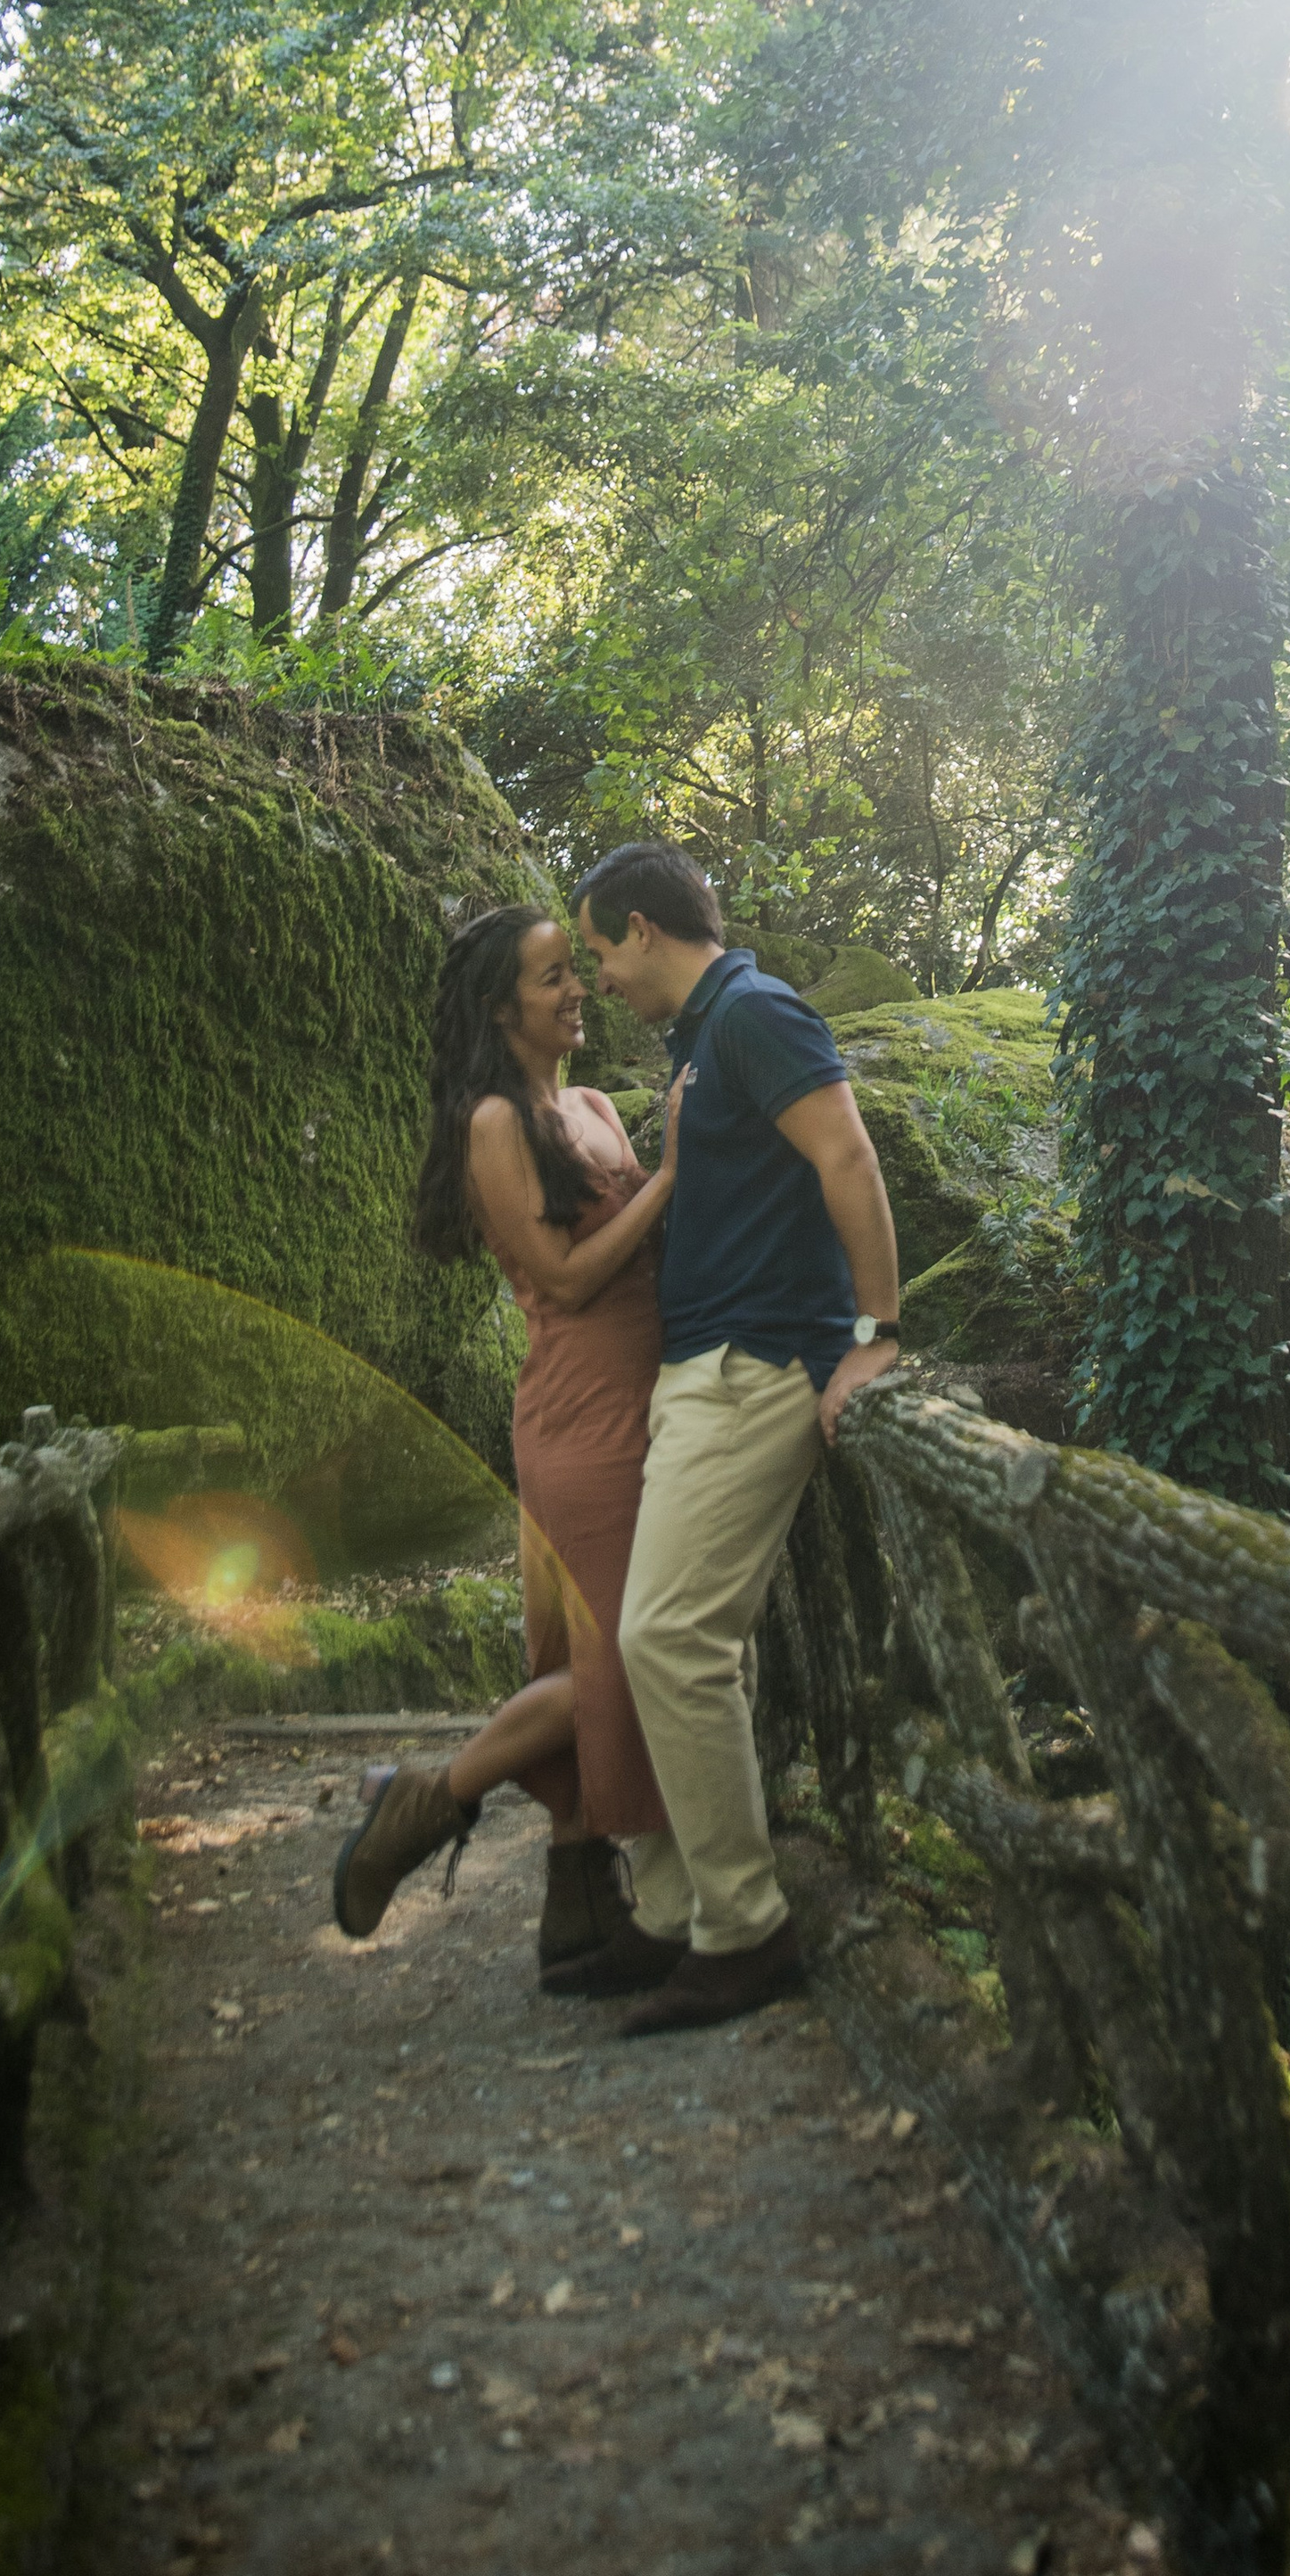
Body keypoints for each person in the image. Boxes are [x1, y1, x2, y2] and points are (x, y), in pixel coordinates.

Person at [546, 844, 902, 2037]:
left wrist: (875, 1333)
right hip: (705, 1365)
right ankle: (689, 1912)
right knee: (683, 1634)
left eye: (600, 952)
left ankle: (745, 1931)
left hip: (759, 1365)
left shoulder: (751, 1013)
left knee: (668, 1632)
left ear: (643, 927)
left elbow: (847, 1154)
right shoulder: (705, 1032)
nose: (600, 979)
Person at [331, 905, 678, 1971]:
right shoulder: (492, 1122)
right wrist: (674, 1174)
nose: (578, 988)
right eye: (551, 977)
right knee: (626, 1659)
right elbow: (569, 1278)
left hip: (643, 1400)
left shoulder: (594, 1104)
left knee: (588, 1654)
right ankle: (429, 1798)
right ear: (499, 1007)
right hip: (580, 1418)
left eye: (577, 970)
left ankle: (576, 1918)